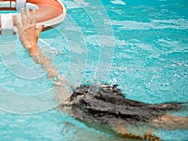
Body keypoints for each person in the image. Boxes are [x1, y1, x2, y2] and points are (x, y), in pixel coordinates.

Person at [13, 8, 188, 140]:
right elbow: (65, 100)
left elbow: (64, 100)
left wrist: (34, 52)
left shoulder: (127, 131)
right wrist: (34, 51)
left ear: (118, 126)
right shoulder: (144, 128)